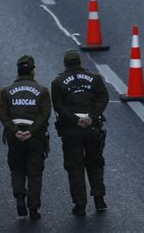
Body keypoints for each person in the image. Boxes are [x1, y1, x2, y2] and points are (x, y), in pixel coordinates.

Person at [51, 49, 109, 216]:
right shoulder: (95, 78)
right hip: (93, 128)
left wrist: (76, 120)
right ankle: (99, 199)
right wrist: (91, 117)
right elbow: (103, 98)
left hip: (71, 130)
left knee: (75, 168)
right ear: (79, 62)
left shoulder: (58, 82)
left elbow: (58, 107)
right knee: (95, 163)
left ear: (65, 63)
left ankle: (80, 204)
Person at [0, 55, 51, 220]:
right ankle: (33, 209)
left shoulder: (6, 90)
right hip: (35, 138)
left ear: (18, 70)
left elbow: (2, 113)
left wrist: (14, 130)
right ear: (33, 71)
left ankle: (20, 196)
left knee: (17, 168)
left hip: (15, 138)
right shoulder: (42, 90)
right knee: (35, 173)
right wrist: (32, 131)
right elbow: (45, 114)